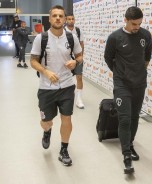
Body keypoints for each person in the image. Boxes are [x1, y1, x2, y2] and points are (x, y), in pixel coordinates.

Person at [30, 5, 83, 166]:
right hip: (46, 87)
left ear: (65, 19)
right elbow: (32, 60)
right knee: (46, 122)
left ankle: (64, 149)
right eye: (55, 16)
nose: (58, 18)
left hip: (67, 85)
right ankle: (47, 131)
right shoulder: (41, 38)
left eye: (61, 16)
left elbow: (80, 55)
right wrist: (46, 72)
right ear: (50, 18)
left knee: (66, 118)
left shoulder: (71, 37)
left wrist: (75, 61)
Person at [104, 6, 152, 174]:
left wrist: (138, 72)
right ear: (125, 20)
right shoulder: (114, 37)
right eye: (133, 24)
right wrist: (120, 73)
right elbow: (108, 58)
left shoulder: (145, 35)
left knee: (134, 118)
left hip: (139, 84)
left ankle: (130, 144)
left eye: (139, 23)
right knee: (124, 119)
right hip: (122, 84)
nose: (137, 27)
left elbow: (146, 58)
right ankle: (126, 156)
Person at [65, 13, 85, 109]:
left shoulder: (78, 30)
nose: (71, 20)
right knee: (64, 78)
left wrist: (81, 57)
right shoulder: (63, 31)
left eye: (72, 19)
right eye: (69, 19)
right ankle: (64, 98)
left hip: (77, 58)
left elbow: (81, 44)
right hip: (66, 58)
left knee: (79, 78)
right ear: (66, 20)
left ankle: (79, 99)